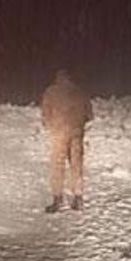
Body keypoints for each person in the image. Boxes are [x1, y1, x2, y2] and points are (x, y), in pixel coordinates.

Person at [40, 69, 93, 212]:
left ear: (57, 78)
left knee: (57, 164)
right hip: (77, 132)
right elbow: (89, 114)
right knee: (76, 164)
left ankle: (58, 199)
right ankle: (78, 198)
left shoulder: (51, 92)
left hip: (59, 132)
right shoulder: (79, 91)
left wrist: (51, 124)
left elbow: (45, 114)